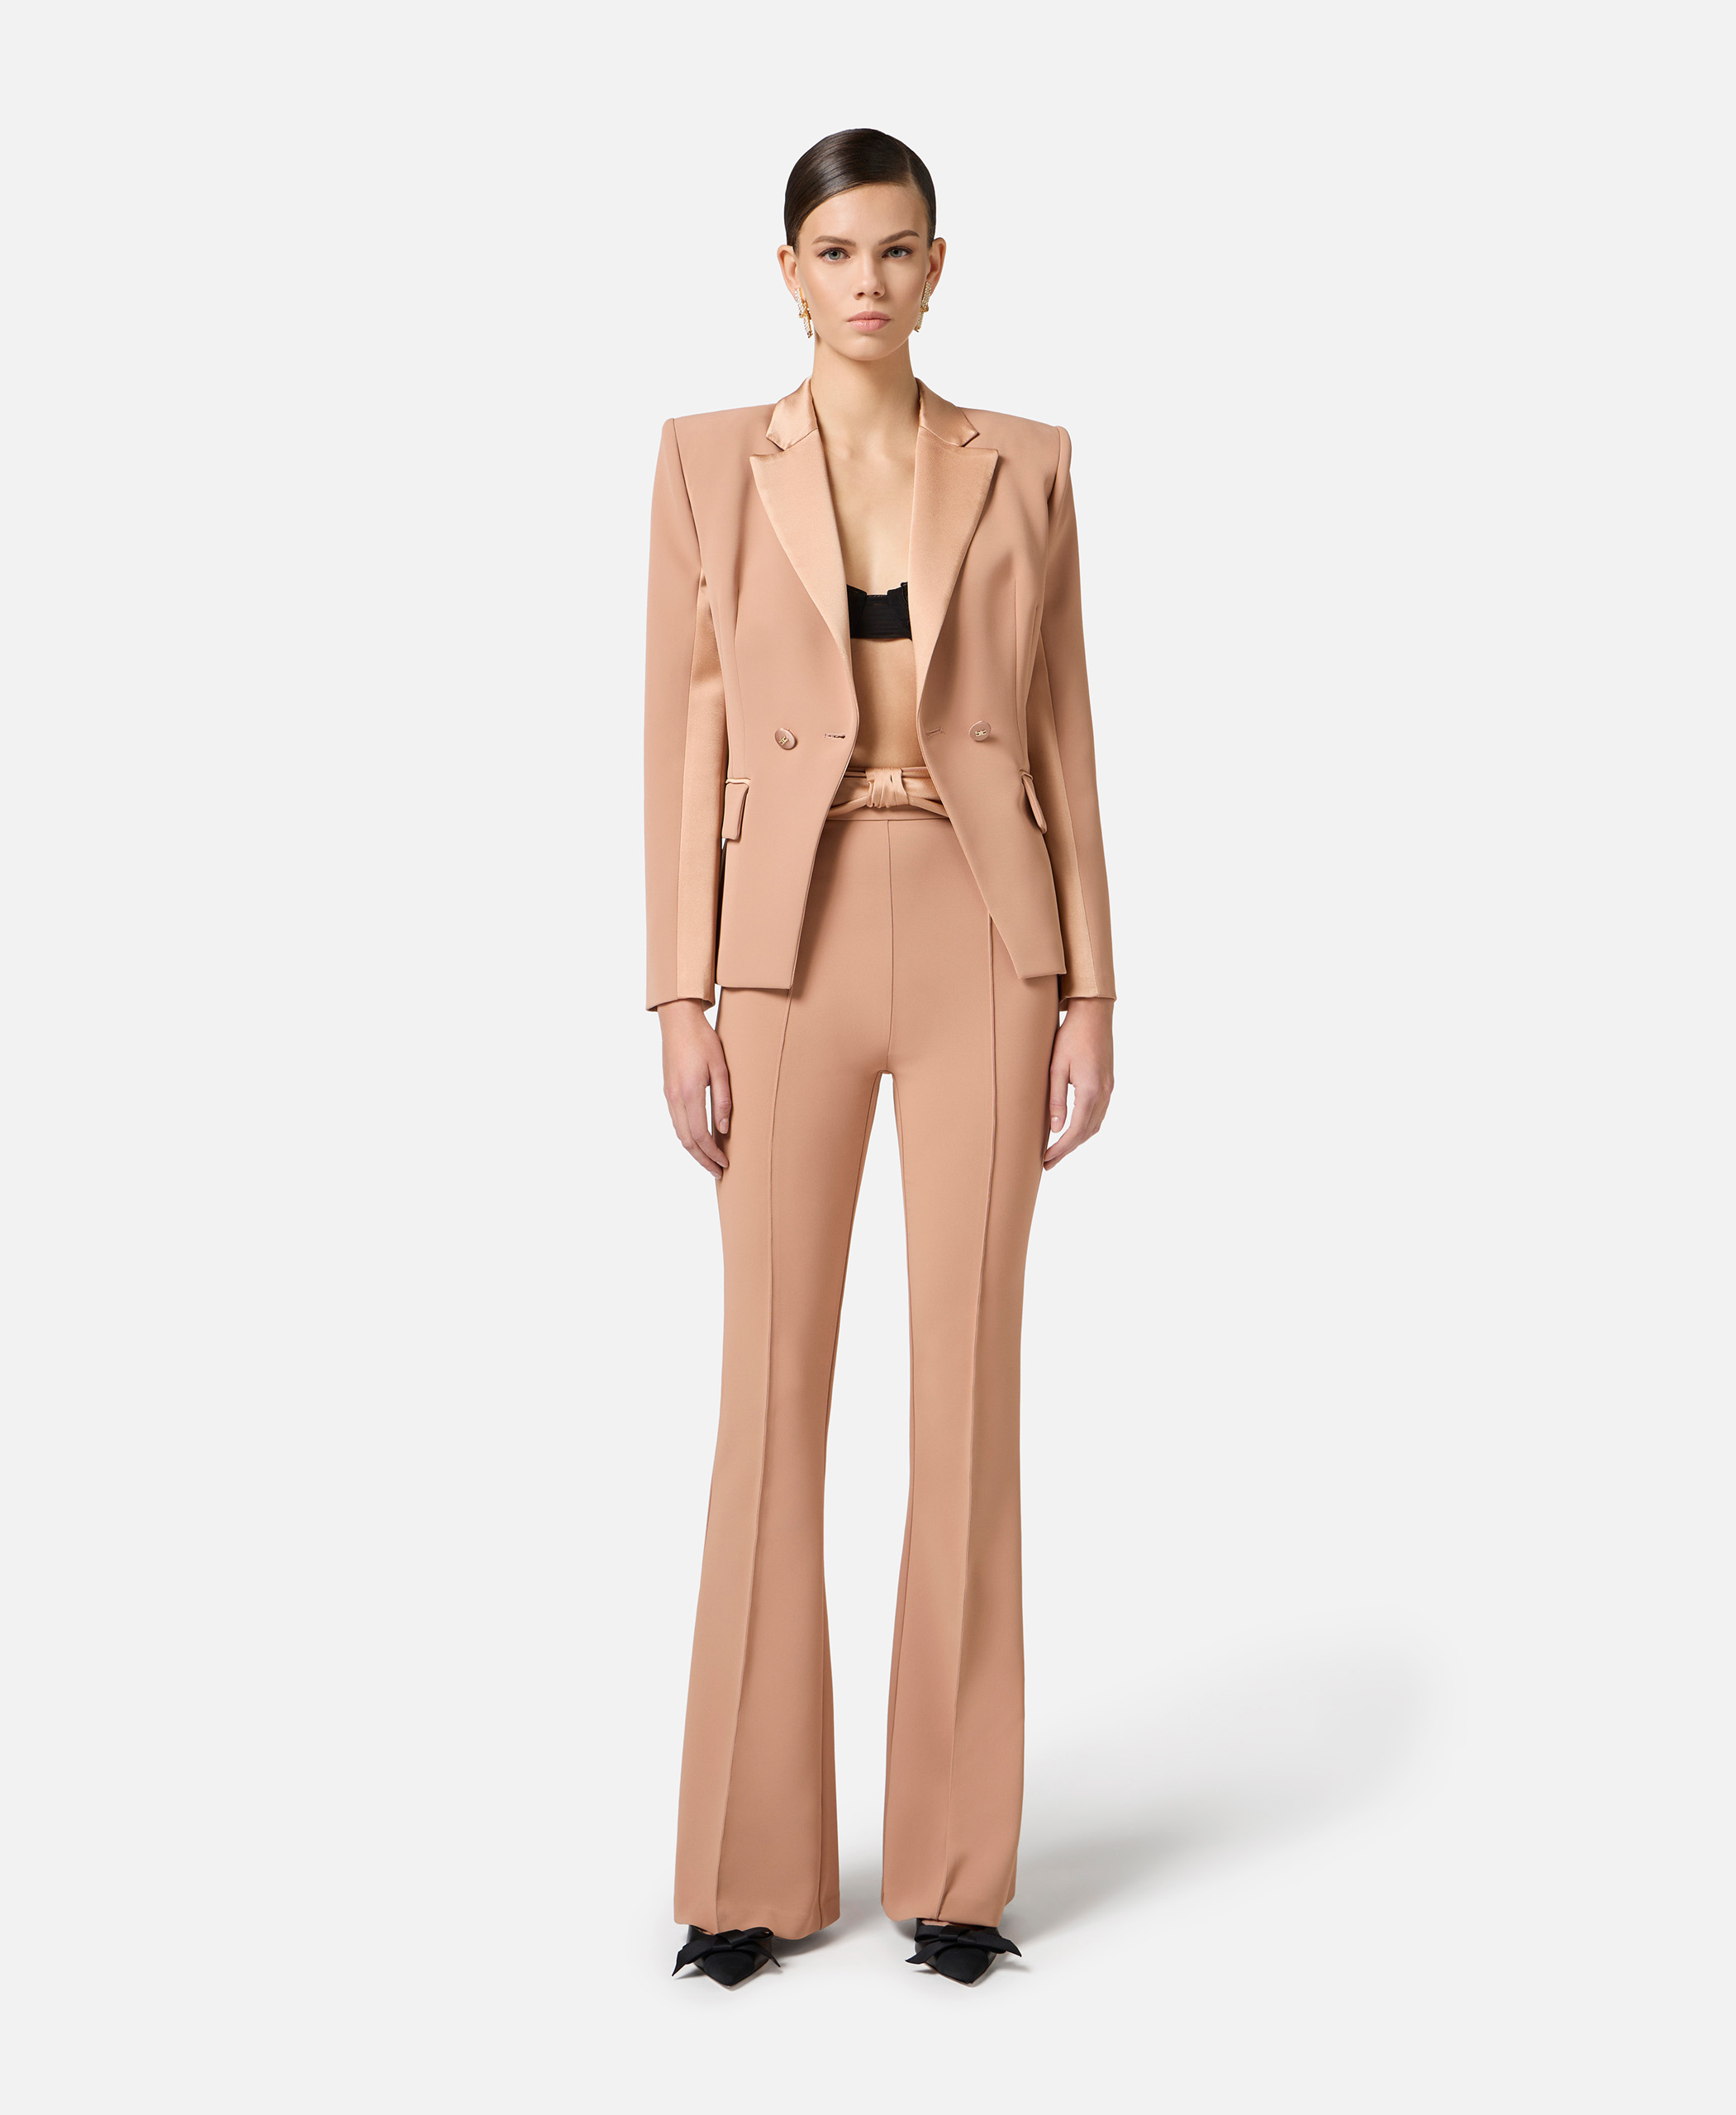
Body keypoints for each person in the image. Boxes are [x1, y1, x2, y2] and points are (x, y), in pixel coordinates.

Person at [646, 128, 1116, 1989]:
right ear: (787, 270)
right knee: (770, 1389)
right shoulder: (705, 463)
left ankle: (955, 1868)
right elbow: (681, 735)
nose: (867, 279)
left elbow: (1066, 730)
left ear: (938, 266)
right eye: (836, 249)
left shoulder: (1027, 464)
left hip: (989, 933)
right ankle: (746, 1870)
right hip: (786, 942)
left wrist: (1093, 990)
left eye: (897, 249)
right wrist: (677, 998)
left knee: (967, 1391)